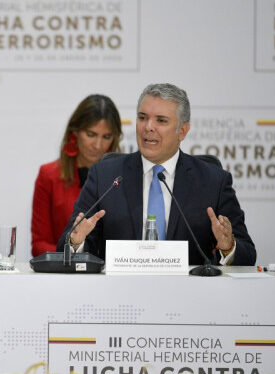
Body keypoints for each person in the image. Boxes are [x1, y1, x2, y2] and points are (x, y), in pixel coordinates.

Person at [57, 83, 256, 266]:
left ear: (182, 131)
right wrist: (76, 242)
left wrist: (228, 247)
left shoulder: (213, 181)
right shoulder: (106, 176)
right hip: (119, 294)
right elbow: (65, 246)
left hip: (191, 298)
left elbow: (248, 254)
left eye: (161, 120)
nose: (148, 127)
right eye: (142, 117)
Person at [31, 95, 122, 257]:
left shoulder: (121, 178)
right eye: (91, 134)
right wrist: (74, 257)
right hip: (62, 274)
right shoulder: (49, 175)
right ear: (75, 132)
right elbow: (39, 245)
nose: (98, 145)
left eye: (106, 137)